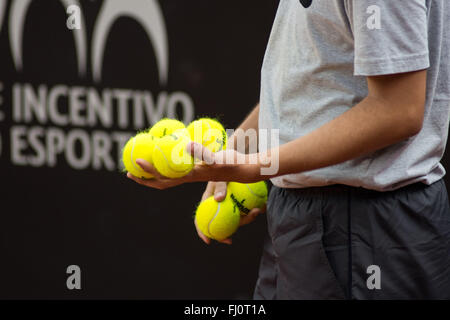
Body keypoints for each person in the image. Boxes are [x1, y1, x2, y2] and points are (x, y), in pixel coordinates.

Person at [128, 0, 450, 299]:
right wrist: (235, 150)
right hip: (307, 224)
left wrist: (256, 166)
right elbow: (317, 79)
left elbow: (398, 110)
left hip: (364, 233)